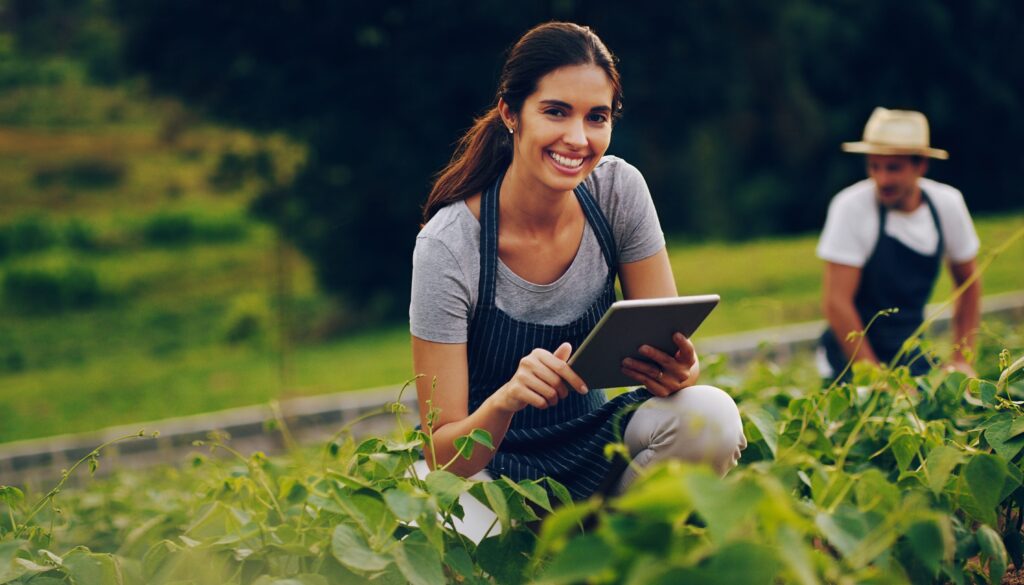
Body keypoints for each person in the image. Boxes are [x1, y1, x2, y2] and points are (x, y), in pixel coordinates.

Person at [409, 22, 746, 516]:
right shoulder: (448, 245)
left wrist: (680, 370)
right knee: (442, 512)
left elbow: (670, 354)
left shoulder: (617, 192)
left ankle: (621, 553)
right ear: (510, 113)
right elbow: (441, 454)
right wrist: (506, 401)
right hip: (489, 467)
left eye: (597, 117)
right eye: (556, 112)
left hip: (595, 442)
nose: (578, 138)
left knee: (711, 416)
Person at [817, 107, 981, 382]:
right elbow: (837, 303)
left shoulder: (946, 205)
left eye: (893, 168)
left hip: (909, 350)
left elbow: (969, 284)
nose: (882, 179)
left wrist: (962, 359)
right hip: (849, 355)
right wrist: (875, 377)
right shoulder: (850, 207)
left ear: (920, 166)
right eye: (874, 167)